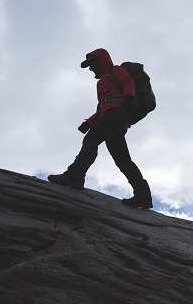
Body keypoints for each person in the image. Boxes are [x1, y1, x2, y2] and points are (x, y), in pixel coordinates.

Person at [48, 48, 153, 209]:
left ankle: (75, 175)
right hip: (113, 116)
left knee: (91, 139)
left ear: (100, 61)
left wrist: (129, 96)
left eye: (92, 64)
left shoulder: (116, 71)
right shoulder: (101, 82)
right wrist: (89, 122)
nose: (91, 69)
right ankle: (143, 195)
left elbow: (128, 82)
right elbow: (103, 107)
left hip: (117, 115)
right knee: (122, 160)